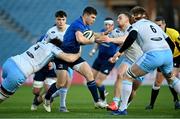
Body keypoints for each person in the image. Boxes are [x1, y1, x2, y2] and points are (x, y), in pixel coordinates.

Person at [109, 6, 180, 115]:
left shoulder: (136, 25)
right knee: (171, 78)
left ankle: (122, 109)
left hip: (153, 54)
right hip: (167, 54)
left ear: (133, 16)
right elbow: (170, 43)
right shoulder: (153, 25)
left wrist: (119, 52)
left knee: (127, 76)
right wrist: (167, 58)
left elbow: (131, 38)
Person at [43, 6, 108, 112]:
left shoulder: (85, 25)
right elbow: (80, 39)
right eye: (92, 17)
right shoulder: (78, 24)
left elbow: (91, 34)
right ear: (86, 15)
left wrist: (102, 34)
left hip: (74, 56)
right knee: (60, 83)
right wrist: (93, 41)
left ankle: (97, 101)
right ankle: (46, 98)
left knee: (89, 74)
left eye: (95, 18)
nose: (94, 20)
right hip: (63, 56)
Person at [0, 38, 80, 105]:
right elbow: (70, 59)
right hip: (19, 73)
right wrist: (78, 53)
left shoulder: (41, 43)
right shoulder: (54, 49)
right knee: (2, 95)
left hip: (10, 62)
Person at [30, 10, 72, 112]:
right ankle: (39, 99)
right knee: (37, 90)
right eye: (58, 20)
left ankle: (60, 105)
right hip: (46, 64)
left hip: (62, 62)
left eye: (63, 20)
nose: (60, 22)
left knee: (61, 85)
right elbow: (40, 49)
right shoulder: (47, 35)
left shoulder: (69, 32)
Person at [104, 12, 143, 113]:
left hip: (141, 61)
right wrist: (94, 36)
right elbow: (105, 39)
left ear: (127, 19)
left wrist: (110, 39)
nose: (117, 20)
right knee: (120, 74)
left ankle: (124, 104)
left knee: (133, 90)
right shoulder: (116, 31)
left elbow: (125, 39)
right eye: (117, 18)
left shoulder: (133, 29)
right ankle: (115, 103)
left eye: (120, 18)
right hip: (128, 59)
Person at [145, 16, 180, 110]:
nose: (158, 27)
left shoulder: (173, 33)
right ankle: (151, 104)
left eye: (160, 25)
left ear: (164, 24)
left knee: (171, 77)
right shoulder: (153, 34)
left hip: (175, 58)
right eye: (156, 26)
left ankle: (176, 101)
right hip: (163, 58)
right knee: (157, 82)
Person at [89, 17, 118, 105]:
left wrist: (116, 57)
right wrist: (93, 51)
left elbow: (124, 46)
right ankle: (103, 93)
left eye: (109, 24)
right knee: (91, 79)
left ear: (112, 25)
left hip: (109, 60)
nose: (107, 26)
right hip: (99, 58)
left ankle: (102, 98)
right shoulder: (102, 31)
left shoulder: (116, 33)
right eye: (106, 24)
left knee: (98, 82)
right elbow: (98, 42)